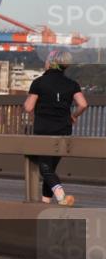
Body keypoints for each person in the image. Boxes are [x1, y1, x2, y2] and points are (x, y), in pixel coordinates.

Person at [23, 51, 88, 207]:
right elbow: (83, 104)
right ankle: (45, 202)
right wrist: (74, 116)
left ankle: (61, 196)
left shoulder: (39, 82)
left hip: (44, 129)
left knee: (44, 167)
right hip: (64, 129)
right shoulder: (72, 84)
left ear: (51, 63)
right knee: (50, 167)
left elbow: (29, 107)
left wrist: (29, 103)